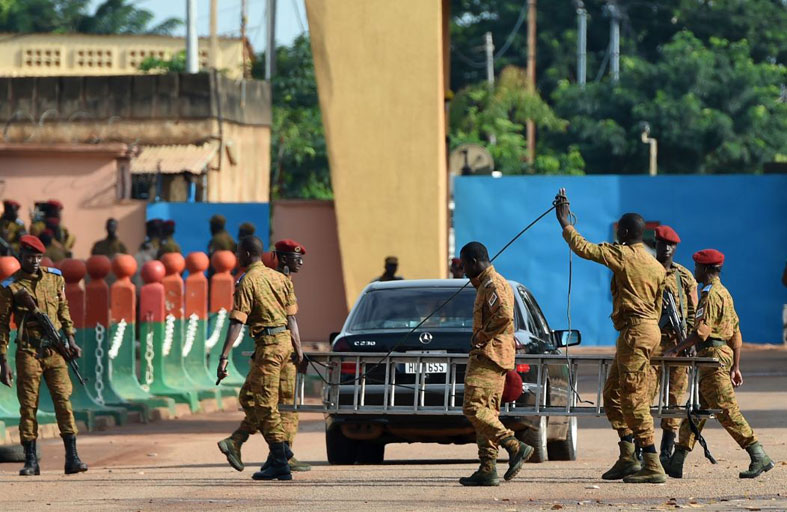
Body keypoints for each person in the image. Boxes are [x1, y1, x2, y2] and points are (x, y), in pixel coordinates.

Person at [554, 188, 667, 484]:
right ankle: (628, 456)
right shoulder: (656, 265)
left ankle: (652, 463)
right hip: (644, 332)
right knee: (612, 395)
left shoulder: (625, 255)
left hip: (636, 333)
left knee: (632, 398)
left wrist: (565, 223)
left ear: (626, 232)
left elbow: (586, 249)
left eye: (620, 229)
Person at [664, 249, 775, 480]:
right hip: (720, 356)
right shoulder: (725, 293)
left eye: (696, 267)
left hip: (712, 359)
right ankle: (677, 459)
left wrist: (677, 348)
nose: (694, 271)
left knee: (726, 410)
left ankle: (758, 454)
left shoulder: (710, 295)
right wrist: (735, 366)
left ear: (705, 270)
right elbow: (736, 334)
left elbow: (702, 333)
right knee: (696, 412)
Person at [215, 235, 304, 481]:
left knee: (264, 403)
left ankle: (280, 459)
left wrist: (223, 357)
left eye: (236, 252)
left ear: (244, 255)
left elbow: (237, 321)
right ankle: (257, 446)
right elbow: (292, 319)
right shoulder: (280, 278)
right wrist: (298, 351)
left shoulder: (247, 281)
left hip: (269, 346)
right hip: (286, 344)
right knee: (255, 397)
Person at [0, 235, 88, 476]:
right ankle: (30, 460)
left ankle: (72, 457)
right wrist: (3, 360)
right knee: (28, 406)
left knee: (63, 401)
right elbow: (2, 326)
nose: (35, 261)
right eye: (30, 257)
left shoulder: (54, 278)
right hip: (29, 351)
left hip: (56, 351)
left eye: (38, 257)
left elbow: (63, 310)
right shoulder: (12, 287)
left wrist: (70, 339)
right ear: (21, 258)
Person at [458, 241, 533, 486]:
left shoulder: (493, 284)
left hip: (490, 355)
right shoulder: (484, 284)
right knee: (487, 413)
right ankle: (487, 467)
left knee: (472, 407)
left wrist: (482, 336)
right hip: (491, 355)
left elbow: (504, 315)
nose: (463, 269)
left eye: (464, 264)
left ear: (472, 262)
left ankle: (514, 445)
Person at [650, 225, 698, 466]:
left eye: (671, 245)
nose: (666, 248)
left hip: (677, 344)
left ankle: (666, 451)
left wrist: (689, 339)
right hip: (652, 342)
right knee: (645, 395)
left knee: (676, 398)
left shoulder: (684, 276)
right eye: (662, 243)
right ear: (655, 244)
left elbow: (692, 310)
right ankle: (643, 450)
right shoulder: (646, 270)